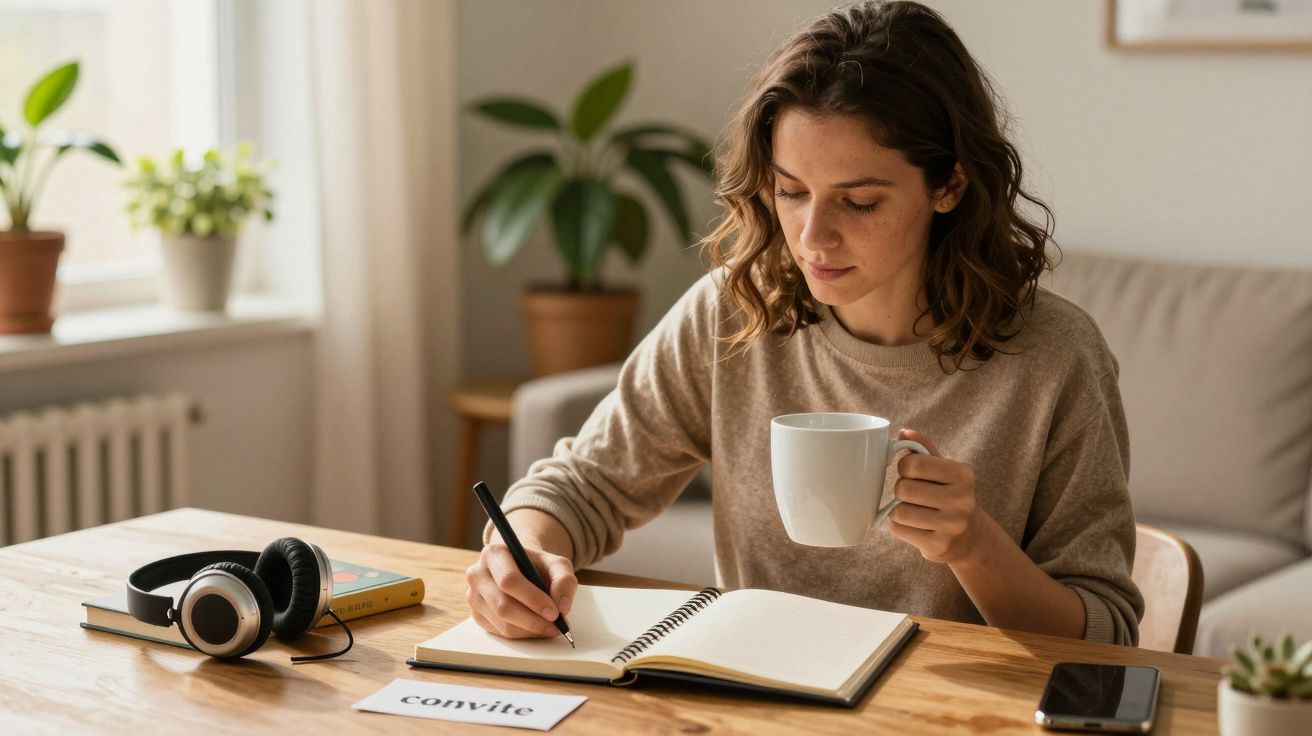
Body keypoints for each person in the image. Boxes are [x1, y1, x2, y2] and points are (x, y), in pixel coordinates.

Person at [464, 0, 1143, 646]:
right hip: (758, 701)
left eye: (860, 202)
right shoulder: (733, 314)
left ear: (950, 187)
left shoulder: (1055, 357)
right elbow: (584, 485)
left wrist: (973, 546)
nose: (813, 236)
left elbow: (1104, 633)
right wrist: (519, 554)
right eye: (791, 192)